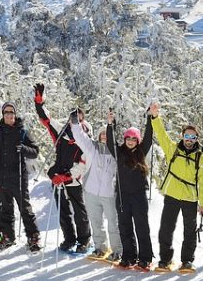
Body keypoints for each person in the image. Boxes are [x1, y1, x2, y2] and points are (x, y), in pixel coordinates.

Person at [147, 102, 203, 273]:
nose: (189, 140)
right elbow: (161, 134)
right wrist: (155, 116)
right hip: (171, 196)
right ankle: (165, 260)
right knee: (166, 229)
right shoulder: (173, 150)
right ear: (182, 136)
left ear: (197, 139)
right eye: (187, 136)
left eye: (193, 138)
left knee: (190, 232)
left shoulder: (201, 158)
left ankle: (187, 261)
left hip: (190, 199)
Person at [0, 101, 42, 252]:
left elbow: (35, 151)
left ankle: (33, 237)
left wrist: (23, 148)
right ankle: (8, 237)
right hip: (1, 177)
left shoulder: (22, 132)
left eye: (11, 112)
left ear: (15, 114)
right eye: (6, 112)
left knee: (25, 208)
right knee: (6, 209)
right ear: (3, 115)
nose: (9, 115)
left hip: (18, 177)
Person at [34, 83, 92, 254]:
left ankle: (84, 239)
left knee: (79, 210)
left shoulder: (86, 135)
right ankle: (69, 238)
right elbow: (46, 119)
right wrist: (39, 102)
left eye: (78, 117)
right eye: (73, 116)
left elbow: (84, 163)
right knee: (63, 211)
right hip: (57, 177)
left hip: (74, 179)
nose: (75, 119)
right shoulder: (61, 132)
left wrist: (67, 177)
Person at [71, 112, 121, 261]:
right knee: (96, 222)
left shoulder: (116, 153)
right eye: (102, 134)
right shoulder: (92, 148)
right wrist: (75, 122)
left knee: (113, 223)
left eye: (107, 134)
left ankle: (118, 250)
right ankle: (100, 247)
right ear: (98, 136)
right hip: (91, 192)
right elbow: (80, 136)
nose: (104, 136)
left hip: (109, 194)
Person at [108, 111, 154, 270]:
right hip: (122, 196)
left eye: (134, 138)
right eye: (128, 138)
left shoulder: (141, 152)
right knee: (124, 226)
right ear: (125, 139)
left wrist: (150, 117)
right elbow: (109, 142)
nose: (131, 141)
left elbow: (148, 136)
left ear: (137, 140)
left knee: (142, 227)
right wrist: (110, 125)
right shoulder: (119, 152)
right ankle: (129, 256)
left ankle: (145, 258)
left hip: (139, 195)